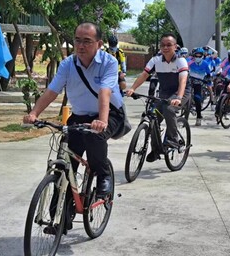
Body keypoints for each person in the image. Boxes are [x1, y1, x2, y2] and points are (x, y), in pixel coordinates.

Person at [23, 22, 123, 198]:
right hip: (79, 116)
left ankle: (103, 174)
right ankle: (59, 214)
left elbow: (104, 92)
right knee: (64, 162)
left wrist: (102, 121)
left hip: (109, 114)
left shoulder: (109, 63)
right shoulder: (67, 64)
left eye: (87, 41)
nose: (81, 46)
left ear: (99, 44)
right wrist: (34, 113)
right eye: (77, 40)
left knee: (94, 136)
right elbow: (52, 91)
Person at [126, 33, 191, 161]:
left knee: (169, 109)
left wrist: (178, 97)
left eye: (169, 45)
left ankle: (173, 139)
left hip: (181, 92)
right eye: (163, 45)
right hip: (164, 93)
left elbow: (183, 81)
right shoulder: (156, 60)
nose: (165, 47)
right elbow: (144, 75)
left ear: (175, 46)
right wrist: (133, 88)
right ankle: (156, 150)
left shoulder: (180, 60)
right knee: (153, 116)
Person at [188, 47, 212, 126]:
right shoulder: (190, 63)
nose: (198, 58)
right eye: (196, 56)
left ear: (202, 56)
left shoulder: (205, 64)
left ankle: (198, 117)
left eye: (199, 56)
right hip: (189, 81)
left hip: (199, 82)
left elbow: (208, 74)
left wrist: (207, 79)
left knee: (197, 98)